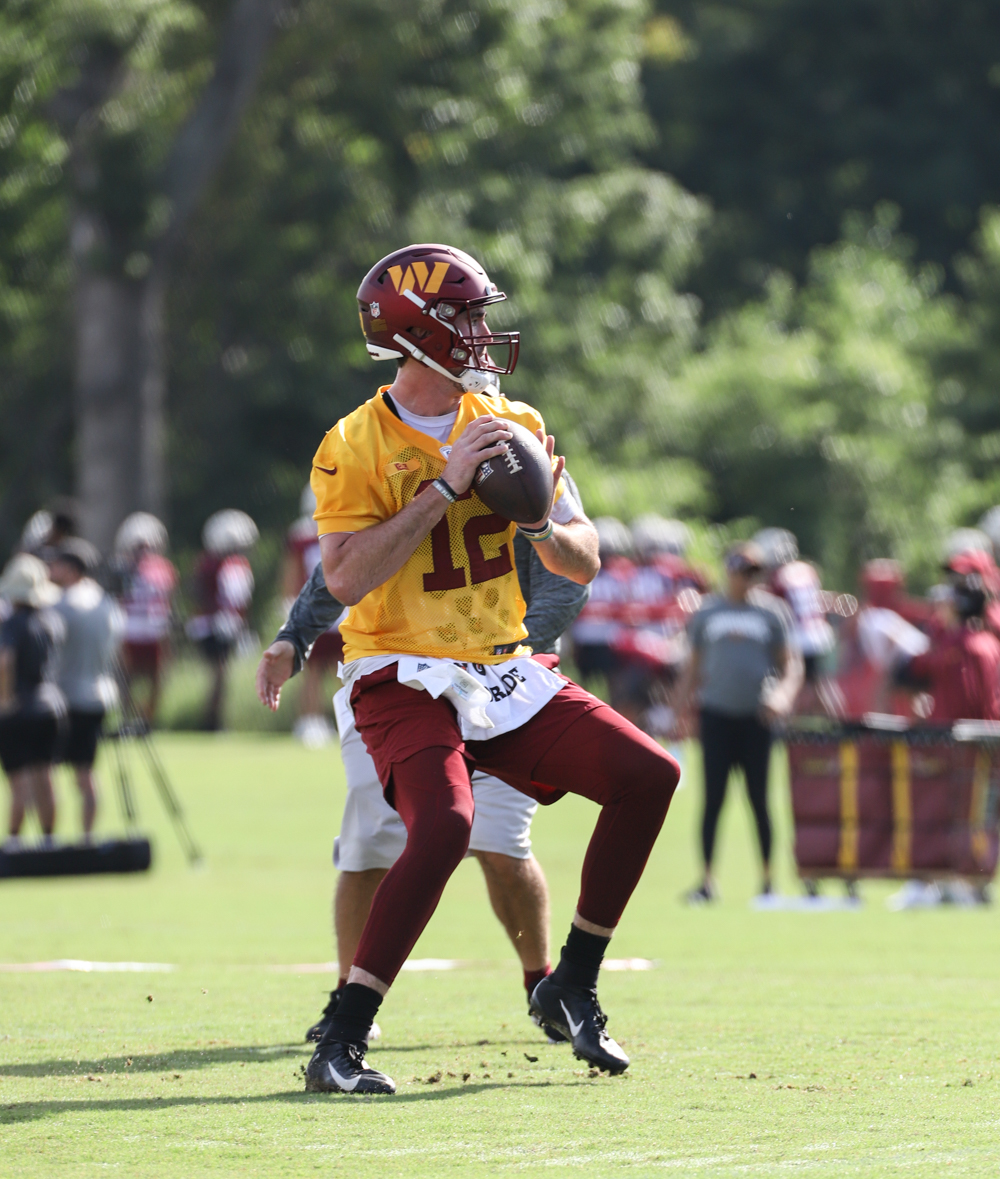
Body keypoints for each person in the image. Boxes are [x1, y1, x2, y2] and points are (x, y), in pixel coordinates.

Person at [294, 242, 680, 1094]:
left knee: (649, 773)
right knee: (443, 826)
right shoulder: (355, 441)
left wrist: (540, 523)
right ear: (415, 327)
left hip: (498, 666)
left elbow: (582, 560)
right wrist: (442, 487)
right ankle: (342, 1036)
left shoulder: (516, 420)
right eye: (466, 315)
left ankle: (572, 982)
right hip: (398, 667)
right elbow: (348, 578)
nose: (482, 331)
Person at [257, 471, 591, 1045]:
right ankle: (347, 994)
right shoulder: (390, 449)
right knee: (370, 843)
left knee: (502, 846)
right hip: (397, 676)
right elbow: (347, 562)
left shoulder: (522, 449)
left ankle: (543, 986)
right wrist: (297, 634)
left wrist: (493, 655)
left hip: (507, 681)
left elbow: (570, 580)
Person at [675, 541, 803, 903]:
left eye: (754, 574)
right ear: (728, 570)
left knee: (759, 801)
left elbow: (791, 664)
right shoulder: (707, 612)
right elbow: (692, 667)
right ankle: (706, 881)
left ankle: (767, 880)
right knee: (713, 800)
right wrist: (677, 712)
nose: (747, 580)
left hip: (756, 719)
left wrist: (783, 696)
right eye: (742, 571)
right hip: (716, 715)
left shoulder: (772, 613)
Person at [49, 539, 124, 839]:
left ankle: (47, 838)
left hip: (65, 697)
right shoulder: (107, 603)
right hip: (99, 695)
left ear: (70, 570)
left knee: (48, 771)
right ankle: (87, 838)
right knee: (86, 773)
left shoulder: (60, 605)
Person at [0, 554, 66, 847]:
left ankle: (13, 842)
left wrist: (4, 699)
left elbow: (5, 661)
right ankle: (48, 840)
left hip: (20, 707)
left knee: (20, 782)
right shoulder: (51, 622)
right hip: (51, 705)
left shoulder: (12, 624)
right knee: (46, 776)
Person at [281, 486, 344, 747]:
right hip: (320, 611)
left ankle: (345, 719)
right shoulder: (302, 536)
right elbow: (292, 574)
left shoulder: (340, 528)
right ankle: (310, 721)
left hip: (338, 612)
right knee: (315, 671)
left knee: (342, 670)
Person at [186, 510, 258, 731]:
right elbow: (200, 592)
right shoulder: (209, 563)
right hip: (211, 625)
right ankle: (211, 722)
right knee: (219, 673)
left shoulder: (239, 564)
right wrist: (216, 614)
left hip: (228, 625)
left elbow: (240, 600)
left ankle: (215, 720)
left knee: (222, 676)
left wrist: (240, 625)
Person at [754, 528, 836, 714]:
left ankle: (785, 728)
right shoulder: (807, 569)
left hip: (796, 637)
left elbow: (774, 609)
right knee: (819, 686)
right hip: (819, 634)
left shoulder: (778, 577)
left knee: (787, 682)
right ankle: (838, 724)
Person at [112, 512, 177, 727]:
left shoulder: (164, 567)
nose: (143, 551)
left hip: (155, 629)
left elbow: (168, 599)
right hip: (129, 628)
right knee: (126, 677)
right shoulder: (121, 568)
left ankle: (146, 719)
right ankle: (126, 718)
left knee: (158, 677)